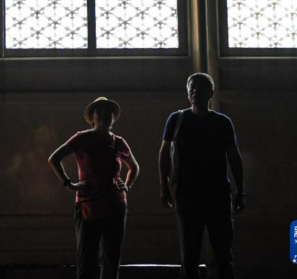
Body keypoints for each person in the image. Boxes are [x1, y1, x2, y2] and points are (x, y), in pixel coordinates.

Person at [158, 73, 246, 279]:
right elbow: (164, 154)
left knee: (223, 254)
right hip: (187, 196)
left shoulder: (222, 122)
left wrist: (240, 191)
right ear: (188, 93)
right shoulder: (177, 119)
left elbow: (234, 157)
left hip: (217, 196)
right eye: (192, 88)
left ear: (211, 93)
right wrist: (164, 187)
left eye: (201, 88)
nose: (196, 91)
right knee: (189, 255)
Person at [48, 97, 140, 279]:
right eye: (100, 111)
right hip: (88, 207)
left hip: (115, 207)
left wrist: (127, 185)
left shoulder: (119, 142)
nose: (105, 115)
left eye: (108, 112)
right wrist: (68, 184)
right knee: (87, 262)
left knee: (111, 261)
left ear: (113, 118)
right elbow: (54, 159)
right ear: (92, 117)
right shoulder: (82, 138)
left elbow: (134, 167)